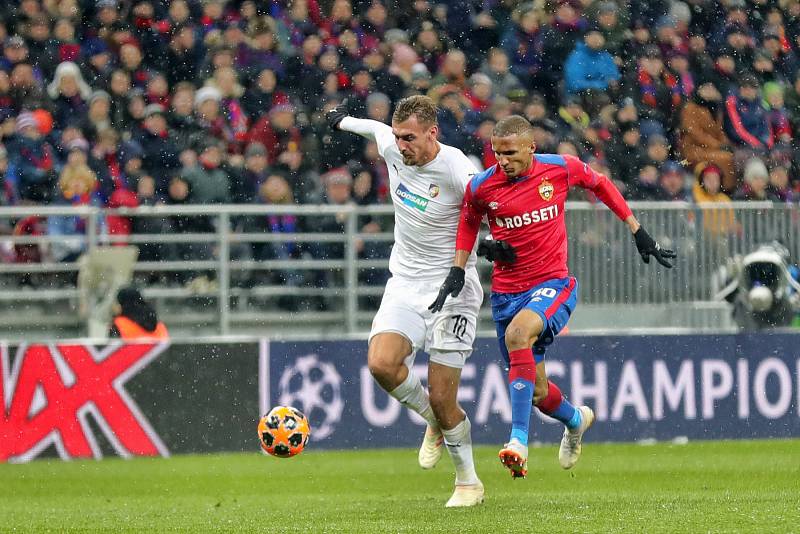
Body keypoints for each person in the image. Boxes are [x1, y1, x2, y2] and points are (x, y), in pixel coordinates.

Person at [429, 115, 676, 478]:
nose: (503, 160)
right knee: (537, 390)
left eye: (511, 153)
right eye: (497, 153)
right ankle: (576, 420)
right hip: (507, 294)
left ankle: (517, 441)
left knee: (517, 336)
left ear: (531, 147)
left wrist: (636, 229)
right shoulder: (482, 187)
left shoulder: (559, 169)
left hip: (553, 284)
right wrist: (459, 266)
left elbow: (601, 184)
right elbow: (468, 222)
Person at [326, 95, 484, 507]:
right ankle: (433, 422)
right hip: (406, 282)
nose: (401, 145)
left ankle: (468, 481)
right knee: (381, 364)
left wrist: (496, 246)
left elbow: (486, 208)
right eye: (398, 136)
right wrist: (341, 121)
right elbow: (374, 129)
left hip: (453, 288)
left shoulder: (457, 168)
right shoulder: (393, 145)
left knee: (442, 395)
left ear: (433, 133)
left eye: (409, 138)